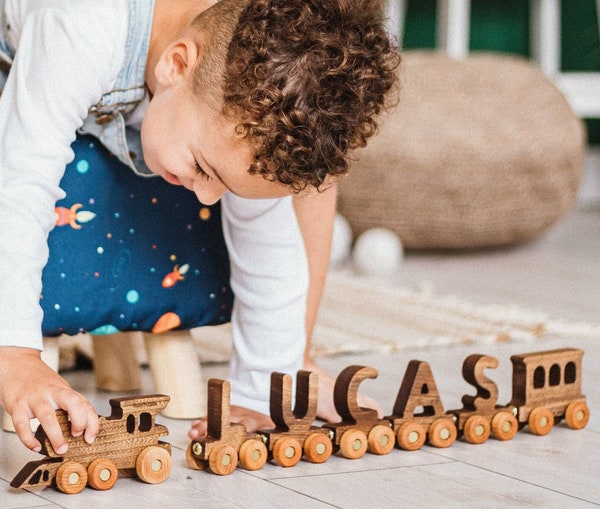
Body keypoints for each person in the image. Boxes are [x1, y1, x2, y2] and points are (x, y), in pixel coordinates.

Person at [0, 0, 400, 454]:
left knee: (276, 202)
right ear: (175, 65)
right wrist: (14, 354)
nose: (206, 198)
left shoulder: (241, 103)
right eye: (203, 168)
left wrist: (264, 389)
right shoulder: (83, 25)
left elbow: (268, 248)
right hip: (16, 44)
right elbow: (17, 183)